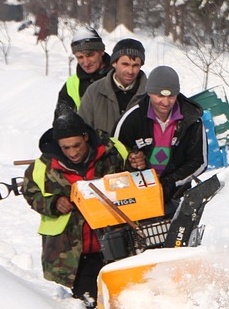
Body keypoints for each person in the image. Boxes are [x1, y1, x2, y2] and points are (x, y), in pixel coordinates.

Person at [22, 111, 128, 309]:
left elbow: (136, 177)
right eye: (66, 148)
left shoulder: (112, 153)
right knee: (91, 308)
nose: (72, 153)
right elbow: (31, 194)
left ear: (86, 137)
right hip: (76, 255)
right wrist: (53, 203)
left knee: (124, 304)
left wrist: (139, 163)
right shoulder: (43, 166)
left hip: (117, 245)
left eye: (77, 145)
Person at [115, 65, 207, 211]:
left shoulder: (191, 120)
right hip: (138, 196)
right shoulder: (132, 119)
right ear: (149, 92)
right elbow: (114, 156)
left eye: (171, 96)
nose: (165, 102)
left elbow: (199, 161)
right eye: (160, 96)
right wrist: (131, 162)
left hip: (176, 195)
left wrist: (169, 183)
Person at [77, 37, 147, 139]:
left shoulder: (150, 94)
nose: (130, 71)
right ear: (114, 63)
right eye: (125, 64)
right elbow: (82, 131)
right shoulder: (94, 91)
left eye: (135, 65)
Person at [54, 28, 112, 119]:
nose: (86, 62)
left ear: (102, 51)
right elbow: (61, 122)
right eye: (80, 57)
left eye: (90, 55)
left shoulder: (120, 77)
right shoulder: (72, 84)